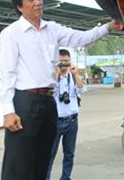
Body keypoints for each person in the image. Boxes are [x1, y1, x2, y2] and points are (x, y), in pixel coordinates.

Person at [0, 0, 124, 180]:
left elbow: (81, 38)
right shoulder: (11, 34)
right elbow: (7, 73)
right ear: (19, 7)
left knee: (43, 159)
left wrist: (108, 27)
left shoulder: (52, 29)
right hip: (25, 102)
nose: (38, 2)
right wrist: (8, 111)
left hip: (49, 101)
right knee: (19, 162)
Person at [46, 49, 86, 180]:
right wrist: (56, 76)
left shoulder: (73, 77)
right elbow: (48, 93)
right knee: (49, 154)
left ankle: (65, 177)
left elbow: (82, 89)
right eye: (61, 62)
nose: (63, 64)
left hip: (72, 121)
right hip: (55, 121)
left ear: (70, 62)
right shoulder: (50, 78)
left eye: (66, 62)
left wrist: (76, 74)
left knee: (69, 154)